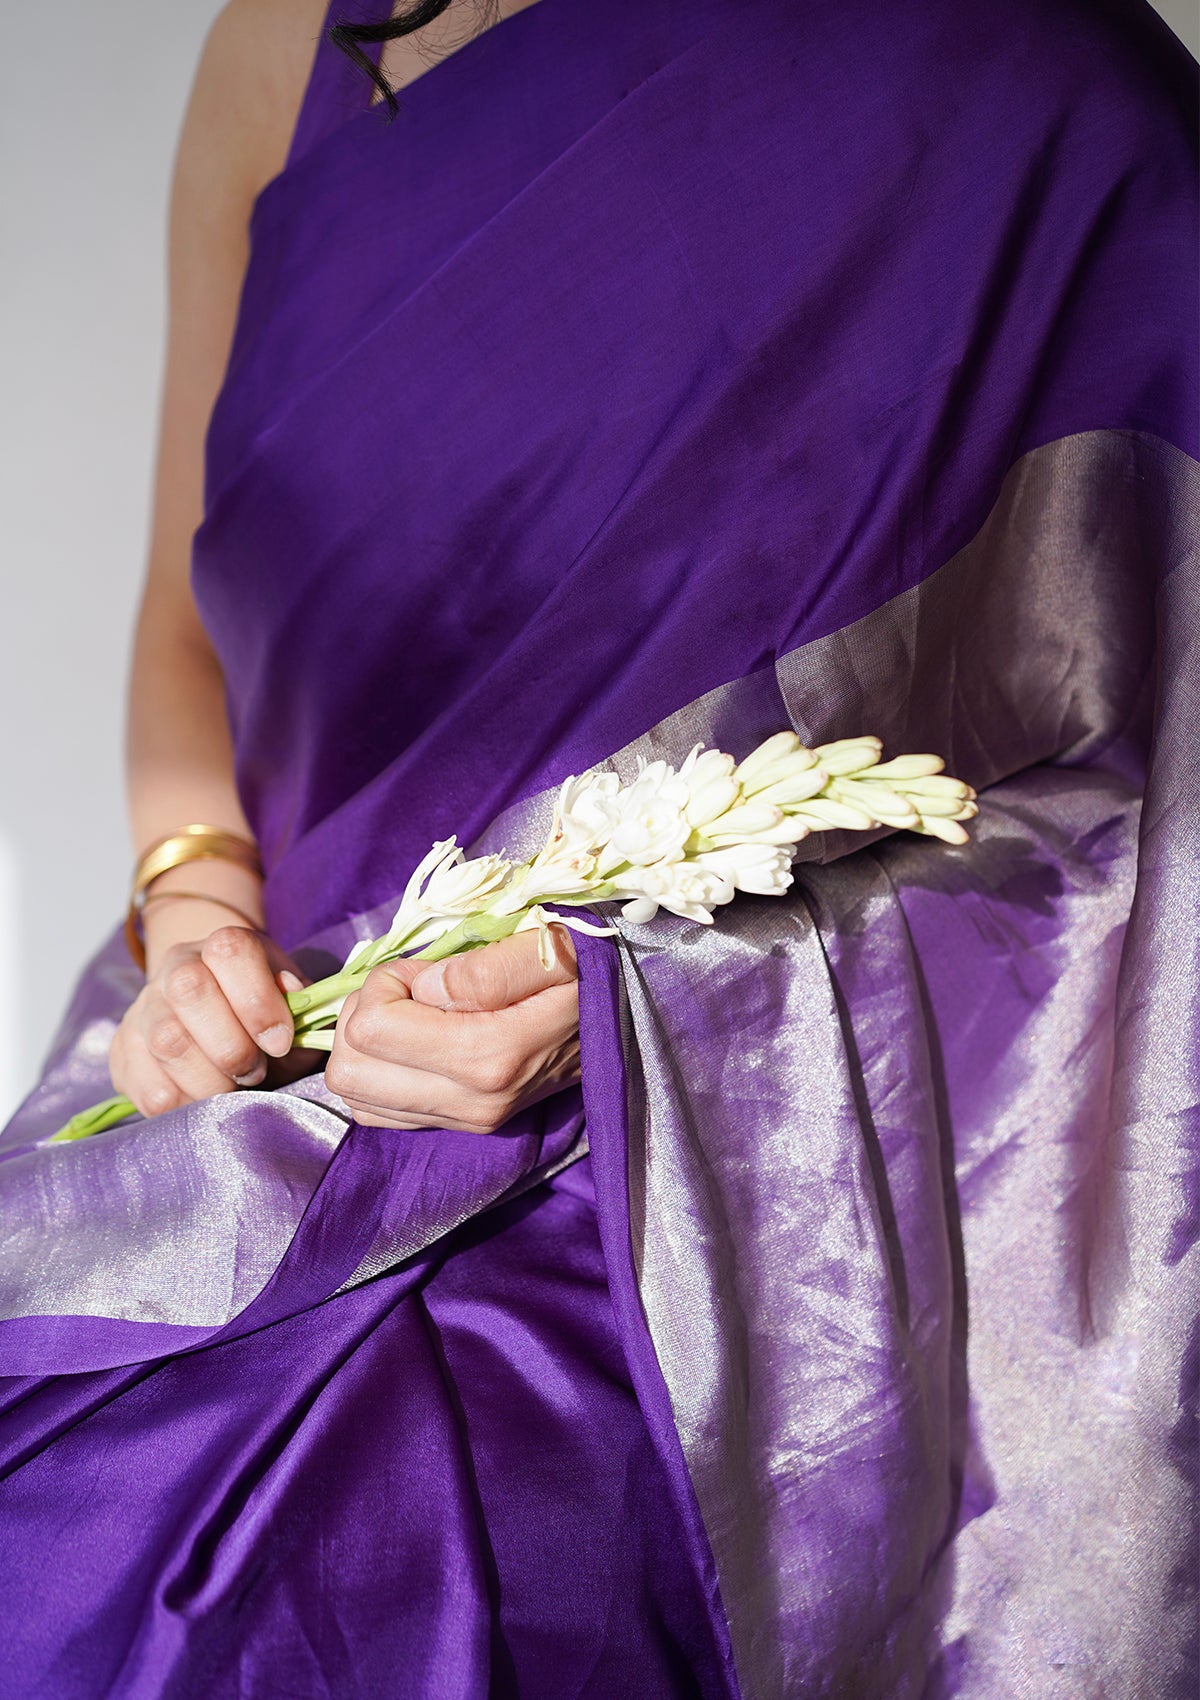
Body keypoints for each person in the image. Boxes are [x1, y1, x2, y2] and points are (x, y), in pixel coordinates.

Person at [0, 0, 1195, 1694]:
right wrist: (194, 904)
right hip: (254, 1054)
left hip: (695, 1191)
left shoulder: (1017, 66)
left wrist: (666, 996)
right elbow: (185, 632)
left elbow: (1158, 793)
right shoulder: (282, 46)